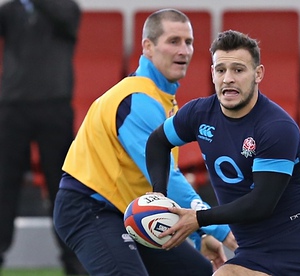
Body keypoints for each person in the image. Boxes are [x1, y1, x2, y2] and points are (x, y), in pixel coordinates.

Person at [145, 30, 300, 275]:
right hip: (253, 251)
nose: (228, 78)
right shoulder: (198, 114)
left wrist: (198, 218)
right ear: (212, 74)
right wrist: (160, 198)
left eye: (238, 70)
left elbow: (261, 204)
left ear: (258, 74)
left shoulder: (276, 127)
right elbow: (157, 142)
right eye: (221, 70)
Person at [53, 9, 237, 276]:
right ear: (148, 47)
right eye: (173, 41)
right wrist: (221, 230)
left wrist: (199, 236)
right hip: (90, 208)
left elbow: (157, 184)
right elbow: (169, 178)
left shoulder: (159, 99)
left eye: (189, 42)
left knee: (199, 271)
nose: (184, 50)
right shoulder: (137, 99)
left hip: (131, 213)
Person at [0, 0, 86, 275]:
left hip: (55, 106)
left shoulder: (66, 8)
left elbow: (67, 25)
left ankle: (73, 262)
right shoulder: (10, 11)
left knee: (63, 189)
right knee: (3, 187)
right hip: (12, 108)